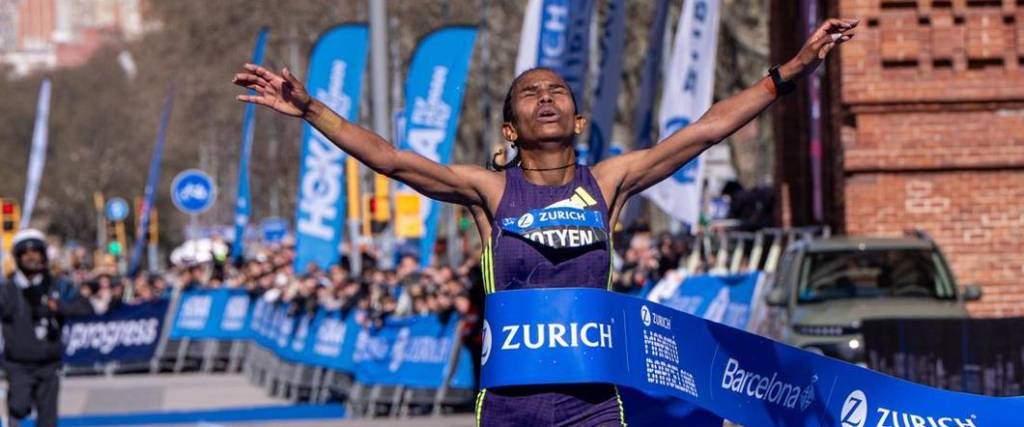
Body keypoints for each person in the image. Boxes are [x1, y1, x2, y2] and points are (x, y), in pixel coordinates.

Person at [232, 17, 856, 427]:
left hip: (592, 402)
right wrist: (313, 109)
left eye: (558, 91)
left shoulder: (607, 185)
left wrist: (789, 74)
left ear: (579, 122)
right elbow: (394, 160)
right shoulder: (487, 191)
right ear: (511, 128)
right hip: (508, 404)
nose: (547, 98)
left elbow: (705, 129)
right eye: (530, 94)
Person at [1, 229, 94, 427]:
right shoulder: (8, 288)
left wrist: (58, 308)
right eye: (26, 254)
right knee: (19, 406)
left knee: (48, 420)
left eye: (36, 253)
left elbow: (85, 307)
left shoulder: (58, 285)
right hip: (18, 364)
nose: (32, 258)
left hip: (49, 363)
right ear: (18, 257)